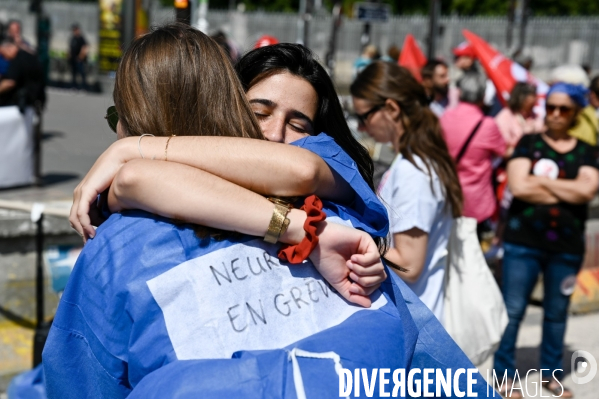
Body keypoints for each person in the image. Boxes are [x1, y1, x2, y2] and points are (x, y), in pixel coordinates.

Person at [44, 25, 395, 398]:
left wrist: (130, 149)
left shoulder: (317, 190)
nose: (275, 136)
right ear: (231, 106)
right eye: (259, 112)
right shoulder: (313, 214)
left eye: (298, 126)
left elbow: (80, 378)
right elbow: (138, 180)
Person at [494, 82, 599, 398]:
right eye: (549, 107)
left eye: (563, 108)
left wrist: (538, 182)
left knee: (556, 315)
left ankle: (551, 375)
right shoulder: (528, 143)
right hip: (522, 241)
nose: (554, 114)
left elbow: (587, 191)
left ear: (575, 113)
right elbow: (519, 187)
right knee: (512, 312)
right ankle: (505, 376)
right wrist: (567, 188)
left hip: (565, 247)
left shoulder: (588, 151)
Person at [350, 61, 463, 323]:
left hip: (417, 321)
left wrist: (351, 236)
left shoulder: (413, 172)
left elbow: (409, 265)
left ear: (391, 108)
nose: (363, 128)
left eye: (364, 117)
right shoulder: (417, 161)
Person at [441, 72, 507, 241]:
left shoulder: (445, 117)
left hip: (446, 192)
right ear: (483, 96)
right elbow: (503, 150)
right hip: (475, 199)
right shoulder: (487, 124)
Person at [495, 82, 545, 155]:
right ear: (522, 97)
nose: (536, 99)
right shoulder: (506, 115)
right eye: (533, 95)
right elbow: (501, 147)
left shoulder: (536, 117)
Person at [0, 37, 44, 109]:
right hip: (34, 103)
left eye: (3, 53)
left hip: (19, 106)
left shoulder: (17, 59)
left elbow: (10, 82)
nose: (4, 58)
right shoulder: (32, 57)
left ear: (8, 48)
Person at [68, 23, 88, 90]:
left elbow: (84, 48)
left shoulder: (81, 38)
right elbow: (70, 48)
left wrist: (80, 57)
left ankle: (83, 87)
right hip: (73, 59)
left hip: (79, 59)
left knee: (81, 73)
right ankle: (74, 86)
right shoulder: (73, 38)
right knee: (74, 73)